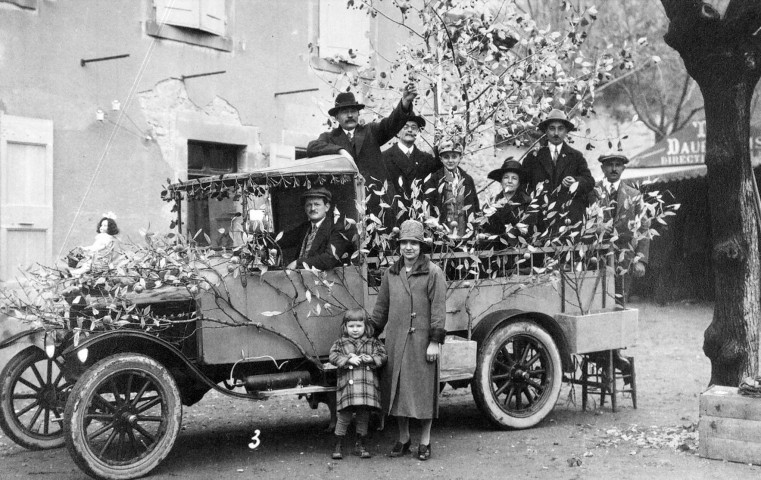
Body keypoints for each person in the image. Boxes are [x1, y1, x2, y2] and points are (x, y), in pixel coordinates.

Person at [370, 219, 447, 461]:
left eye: (414, 243)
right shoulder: (391, 273)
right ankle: (403, 438)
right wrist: (368, 333)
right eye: (404, 243)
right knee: (398, 392)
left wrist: (434, 341)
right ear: (399, 246)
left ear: (421, 246)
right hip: (396, 342)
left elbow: (438, 309)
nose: (409, 248)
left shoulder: (433, 272)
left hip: (422, 343)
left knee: (423, 393)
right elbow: (381, 308)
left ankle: (425, 441)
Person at [307, 85, 419, 227]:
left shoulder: (370, 131)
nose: (350, 115)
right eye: (345, 112)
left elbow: (391, 124)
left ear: (358, 114)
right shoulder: (329, 137)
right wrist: (340, 150)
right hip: (348, 208)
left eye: (353, 111)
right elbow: (312, 147)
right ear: (336, 117)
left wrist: (405, 103)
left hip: (379, 204)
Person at [328, 309, 387, 460]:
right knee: (344, 416)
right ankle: (337, 445)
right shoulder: (340, 342)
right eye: (351, 326)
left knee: (363, 416)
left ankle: (360, 444)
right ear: (345, 327)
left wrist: (371, 359)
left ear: (365, 326)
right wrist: (348, 359)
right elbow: (333, 356)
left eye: (359, 326)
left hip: (365, 387)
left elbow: (383, 355)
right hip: (348, 388)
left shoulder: (372, 342)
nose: (355, 330)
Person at [522, 109, 594, 232]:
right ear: (545, 130)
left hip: (567, 221)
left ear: (566, 131)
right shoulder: (533, 157)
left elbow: (589, 181)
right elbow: (522, 185)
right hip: (540, 222)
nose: (556, 133)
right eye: (552, 128)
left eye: (560, 128)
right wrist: (530, 206)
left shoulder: (576, 156)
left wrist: (576, 181)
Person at [595, 153, 650, 301]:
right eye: (609, 165)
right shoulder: (592, 192)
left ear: (623, 168)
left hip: (624, 257)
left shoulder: (634, 195)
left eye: (617, 165)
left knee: (620, 301)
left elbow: (643, 228)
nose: (614, 169)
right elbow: (580, 220)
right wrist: (596, 227)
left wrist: (640, 259)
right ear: (602, 168)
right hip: (595, 257)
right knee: (595, 299)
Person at [277, 187, 355, 270]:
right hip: (300, 277)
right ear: (305, 208)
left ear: (327, 207)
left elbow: (329, 259)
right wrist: (263, 235)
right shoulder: (305, 227)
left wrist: (297, 263)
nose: (313, 208)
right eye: (309, 205)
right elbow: (283, 239)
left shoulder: (337, 228)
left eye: (317, 204)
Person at [383, 115, 441, 219]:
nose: (410, 130)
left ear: (418, 133)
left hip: (420, 216)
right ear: (397, 132)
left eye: (414, 127)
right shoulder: (385, 158)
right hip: (394, 217)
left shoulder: (426, 159)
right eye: (405, 127)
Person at [424, 140, 480, 237]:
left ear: (460, 158)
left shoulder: (467, 179)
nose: (450, 160)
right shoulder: (433, 180)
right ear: (441, 159)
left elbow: (475, 206)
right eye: (446, 157)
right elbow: (427, 209)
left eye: (454, 156)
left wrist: (476, 229)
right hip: (441, 233)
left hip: (464, 232)